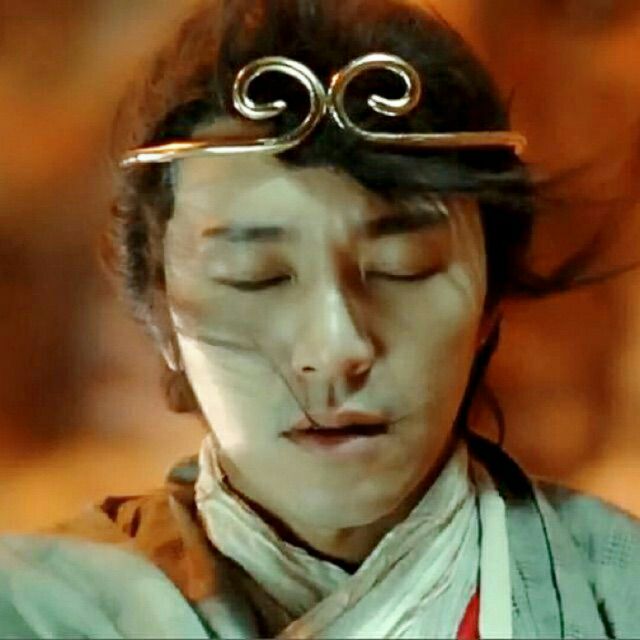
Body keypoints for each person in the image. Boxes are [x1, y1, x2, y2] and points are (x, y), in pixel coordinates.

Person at [1, 0, 639, 637]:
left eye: (401, 267)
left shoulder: (617, 592)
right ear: (162, 316)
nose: (336, 348)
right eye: (257, 276)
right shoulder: (36, 613)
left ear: (490, 302)